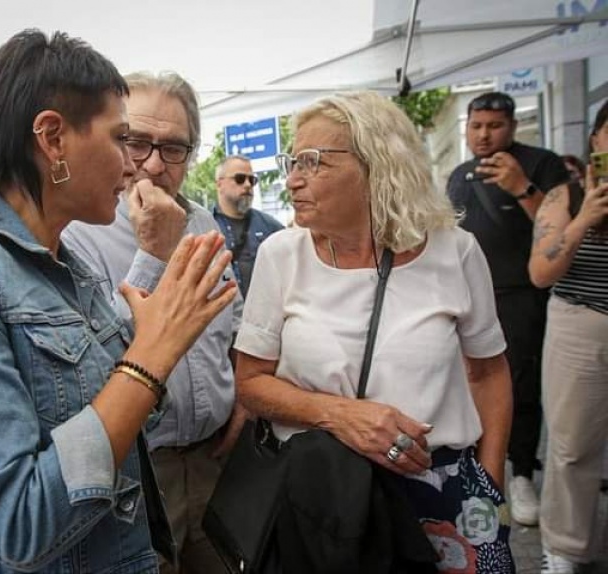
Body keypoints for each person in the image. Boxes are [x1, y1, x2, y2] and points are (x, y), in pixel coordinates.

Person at [0, 30, 237, 574]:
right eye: (122, 139)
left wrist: (152, 355)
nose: (132, 165)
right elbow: (17, 523)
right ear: (52, 138)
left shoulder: (68, 266)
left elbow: (127, 420)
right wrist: (151, 356)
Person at [236, 91, 515, 573]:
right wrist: (340, 415)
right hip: (326, 496)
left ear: (378, 165)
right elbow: (251, 383)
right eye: (292, 161)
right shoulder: (281, 256)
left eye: (312, 162)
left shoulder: (456, 251)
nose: (293, 178)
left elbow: (489, 372)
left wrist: (488, 481)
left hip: (443, 496)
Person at [63, 71, 245, 574]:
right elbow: (99, 364)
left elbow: (234, 320)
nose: (152, 164)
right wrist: (154, 253)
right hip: (139, 476)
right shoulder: (80, 234)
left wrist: (243, 396)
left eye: (174, 148)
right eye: (136, 142)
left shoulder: (205, 223)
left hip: (215, 462)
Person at [446, 91, 570, 527]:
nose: (484, 134)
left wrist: (522, 188)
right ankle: (476, 466)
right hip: (467, 298)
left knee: (518, 383)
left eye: (494, 125)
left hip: (521, 294)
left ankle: (520, 473)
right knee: (471, 383)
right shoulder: (460, 175)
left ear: (512, 126)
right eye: (476, 125)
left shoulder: (542, 165)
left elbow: (563, 233)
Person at [529, 99, 608, 574]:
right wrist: (584, 221)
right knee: (572, 444)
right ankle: (564, 548)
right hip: (581, 323)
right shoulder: (566, 197)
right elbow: (540, 272)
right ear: (596, 138)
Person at [211, 155, 284, 297]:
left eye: (252, 180)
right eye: (239, 179)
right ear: (219, 184)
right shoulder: (205, 226)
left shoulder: (271, 227)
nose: (247, 185)